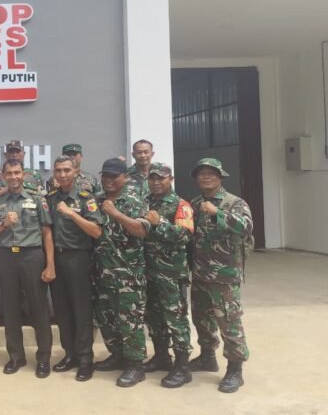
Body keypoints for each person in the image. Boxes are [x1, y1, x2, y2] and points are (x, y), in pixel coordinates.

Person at [0, 159, 55, 378]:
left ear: (23, 174)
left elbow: (47, 232)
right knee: (10, 309)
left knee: (38, 308)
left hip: (32, 256)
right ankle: (16, 356)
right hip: (7, 257)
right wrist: (3, 223)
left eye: (17, 173)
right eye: (9, 173)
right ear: (3, 176)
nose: (14, 177)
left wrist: (50, 264)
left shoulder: (36, 198)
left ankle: (43, 358)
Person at [189, 158, 253, 393]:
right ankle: (207, 357)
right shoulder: (195, 204)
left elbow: (246, 227)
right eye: (202, 173)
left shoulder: (234, 203)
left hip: (224, 277)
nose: (206, 177)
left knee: (229, 323)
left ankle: (235, 369)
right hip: (200, 273)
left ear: (221, 177)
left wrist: (218, 213)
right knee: (201, 319)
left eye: (211, 173)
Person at [93, 157, 151, 387]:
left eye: (114, 176)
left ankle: (136, 365)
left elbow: (141, 230)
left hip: (128, 273)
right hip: (102, 271)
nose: (108, 180)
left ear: (125, 177)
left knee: (130, 320)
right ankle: (117, 355)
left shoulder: (134, 200)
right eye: (105, 176)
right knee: (106, 317)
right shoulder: (98, 199)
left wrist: (115, 213)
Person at [46, 155, 103, 382]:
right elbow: (47, 230)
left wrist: (72, 214)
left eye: (67, 170)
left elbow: (96, 231)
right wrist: (50, 263)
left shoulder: (85, 199)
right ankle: (70, 354)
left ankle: (86, 360)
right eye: (58, 170)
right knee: (62, 311)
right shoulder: (50, 198)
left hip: (78, 259)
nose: (62, 174)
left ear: (76, 172)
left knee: (81, 311)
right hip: (57, 259)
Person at [143, 162, 195, 388]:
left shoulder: (181, 205)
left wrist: (160, 223)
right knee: (153, 317)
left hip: (171, 273)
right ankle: (162, 356)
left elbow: (184, 235)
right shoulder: (145, 201)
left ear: (170, 180)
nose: (156, 182)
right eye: (152, 178)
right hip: (148, 270)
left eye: (161, 178)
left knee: (176, 319)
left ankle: (183, 367)